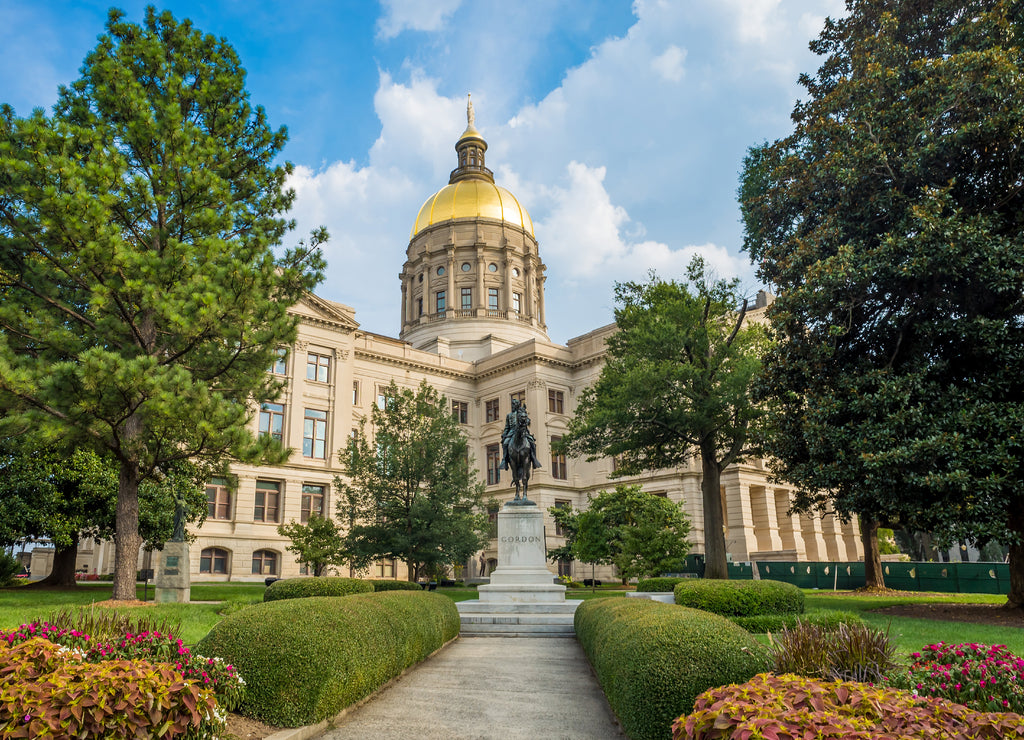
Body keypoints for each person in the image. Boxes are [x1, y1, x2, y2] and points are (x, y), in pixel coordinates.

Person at [500, 397, 542, 470]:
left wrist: (526, 422)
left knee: (532, 442)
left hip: (523, 431)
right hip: (511, 432)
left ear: (517, 405)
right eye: (512, 404)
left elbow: (528, 420)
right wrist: (504, 434)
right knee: (505, 443)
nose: (512, 406)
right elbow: (507, 427)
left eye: (514, 404)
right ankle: (504, 460)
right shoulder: (509, 415)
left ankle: (534, 459)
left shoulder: (521, 413)